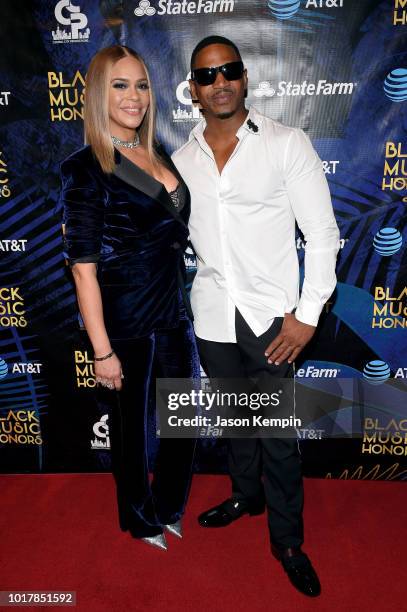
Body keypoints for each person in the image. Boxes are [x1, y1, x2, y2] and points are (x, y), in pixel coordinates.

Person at [172, 36, 340, 595]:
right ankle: (246, 494)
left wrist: (308, 315)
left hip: (274, 319)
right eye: (206, 75)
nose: (219, 83)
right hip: (213, 314)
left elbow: (322, 234)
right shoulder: (181, 160)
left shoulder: (286, 143)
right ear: (193, 90)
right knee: (238, 424)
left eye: (229, 71)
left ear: (244, 78)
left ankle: (288, 541)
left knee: (277, 437)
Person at [60, 45, 200, 551]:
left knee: (182, 418)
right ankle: (140, 518)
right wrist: (101, 348)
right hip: (126, 318)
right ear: (99, 93)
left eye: (141, 84)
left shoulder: (155, 151)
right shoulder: (88, 167)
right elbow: (82, 267)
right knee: (132, 430)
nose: (134, 96)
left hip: (172, 312)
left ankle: (169, 506)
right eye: (120, 85)